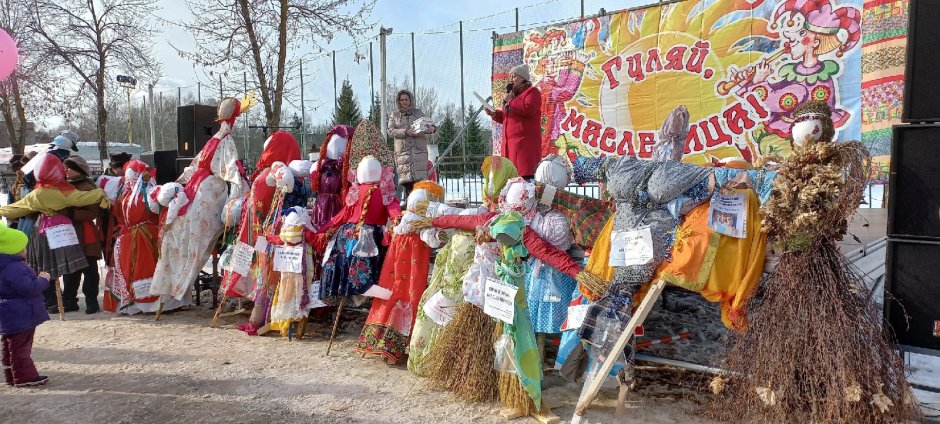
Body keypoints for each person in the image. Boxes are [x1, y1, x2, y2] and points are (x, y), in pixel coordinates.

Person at [0, 223, 51, 387]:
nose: (26, 250)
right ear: (15, 250)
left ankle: (11, 374)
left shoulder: (5, 266)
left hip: (8, 313)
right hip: (21, 314)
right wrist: (43, 280)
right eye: (24, 247)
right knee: (21, 347)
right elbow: (29, 289)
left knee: (9, 345)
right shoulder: (14, 267)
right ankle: (24, 376)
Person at [61, 155, 103, 314]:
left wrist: (71, 212)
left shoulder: (88, 188)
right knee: (70, 270)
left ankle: (92, 301)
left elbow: (92, 213)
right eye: (65, 167)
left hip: (85, 234)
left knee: (90, 269)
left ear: (79, 170)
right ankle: (70, 300)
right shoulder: (62, 186)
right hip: (68, 233)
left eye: (70, 168)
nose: (66, 171)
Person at [485, 65, 542, 179]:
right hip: (509, 147)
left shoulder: (532, 92)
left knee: (524, 180)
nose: (511, 79)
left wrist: (510, 100)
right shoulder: (511, 97)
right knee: (510, 179)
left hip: (524, 147)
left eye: (514, 76)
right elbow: (506, 117)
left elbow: (529, 109)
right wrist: (495, 114)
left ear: (523, 78)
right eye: (510, 76)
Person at [387, 89, 435, 195]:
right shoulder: (394, 115)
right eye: (402, 100)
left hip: (419, 154)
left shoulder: (419, 113)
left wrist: (432, 129)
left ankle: (419, 207)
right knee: (407, 184)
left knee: (420, 186)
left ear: (410, 100)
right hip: (403, 155)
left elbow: (430, 124)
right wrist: (406, 132)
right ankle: (409, 206)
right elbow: (390, 131)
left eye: (406, 99)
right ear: (398, 102)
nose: (404, 102)